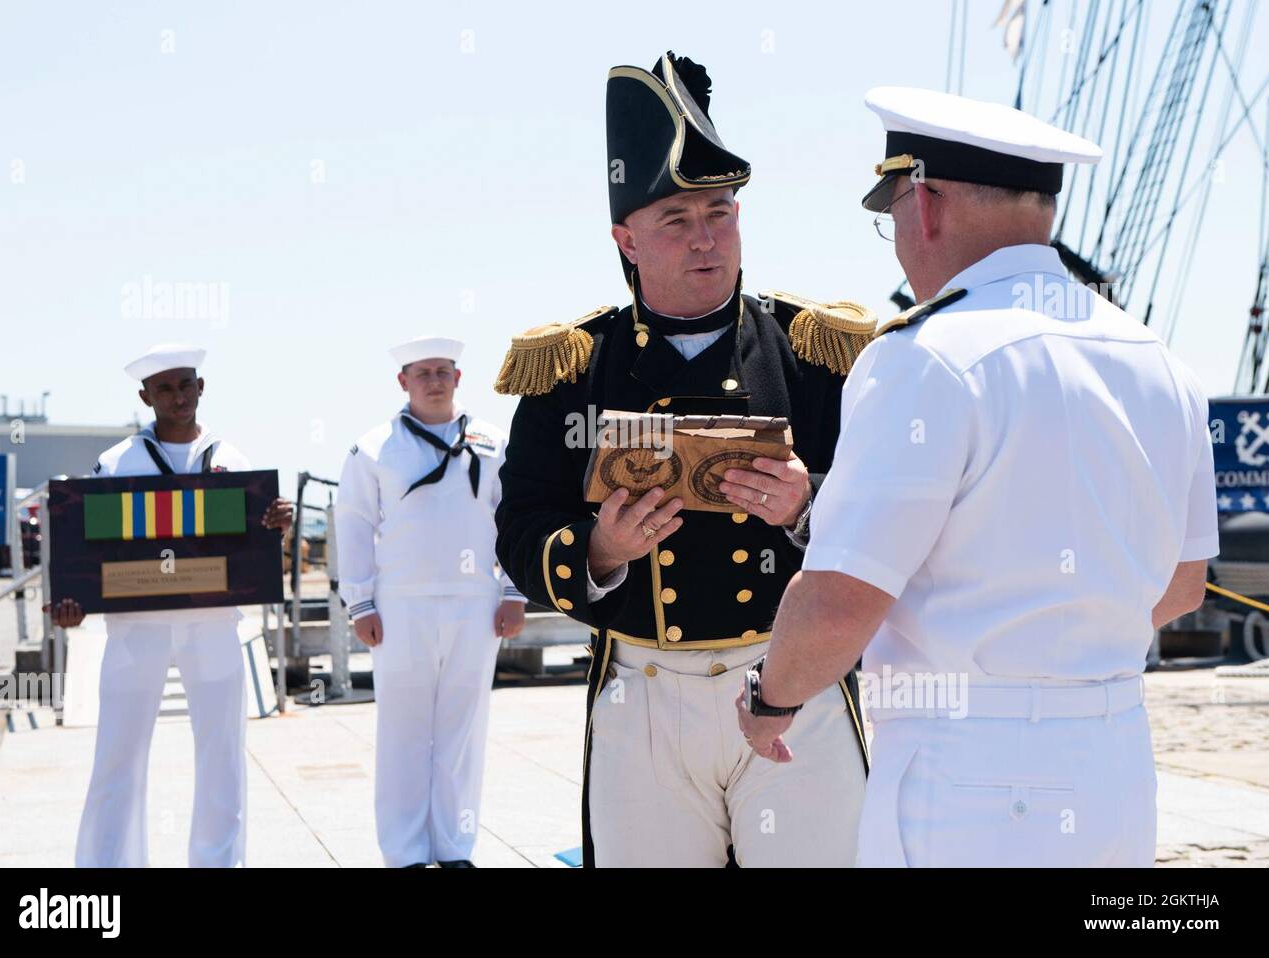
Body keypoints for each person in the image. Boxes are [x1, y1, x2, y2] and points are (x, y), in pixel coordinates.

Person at [736, 86, 1218, 867]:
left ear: (923, 203)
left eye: (890, 216)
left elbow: (838, 600)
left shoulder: (925, 357)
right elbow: (1183, 586)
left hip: (965, 774)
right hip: (1115, 765)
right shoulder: (1160, 364)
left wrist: (771, 699)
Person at [495, 52, 872, 867]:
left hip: (794, 684)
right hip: (645, 697)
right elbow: (520, 526)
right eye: (677, 221)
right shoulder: (570, 364)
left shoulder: (816, 352)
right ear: (625, 240)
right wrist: (599, 552)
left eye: (722, 212)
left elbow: (889, 515)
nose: (706, 239)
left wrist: (811, 507)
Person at [50, 343, 293, 867]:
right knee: (118, 751)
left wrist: (278, 528)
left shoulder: (235, 459)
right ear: (145, 396)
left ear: (201, 388)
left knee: (223, 755)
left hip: (213, 622)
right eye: (165, 388)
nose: (178, 396)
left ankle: (218, 862)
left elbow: (259, 549)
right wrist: (71, 601)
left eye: (186, 384)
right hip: (137, 626)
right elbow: (85, 545)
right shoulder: (117, 462)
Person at [335, 336, 526, 868]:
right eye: (423, 373)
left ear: (459, 377)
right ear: (403, 381)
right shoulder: (374, 447)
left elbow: (513, 519)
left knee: (463, 731)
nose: (435, 380)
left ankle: (454, 846)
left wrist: (513, 591)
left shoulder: (493, 440)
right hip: (400, 605)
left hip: (475, 602)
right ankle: (404, 852)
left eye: (444, 370)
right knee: (403, 731)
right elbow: (352, 522)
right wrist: (359, 602)